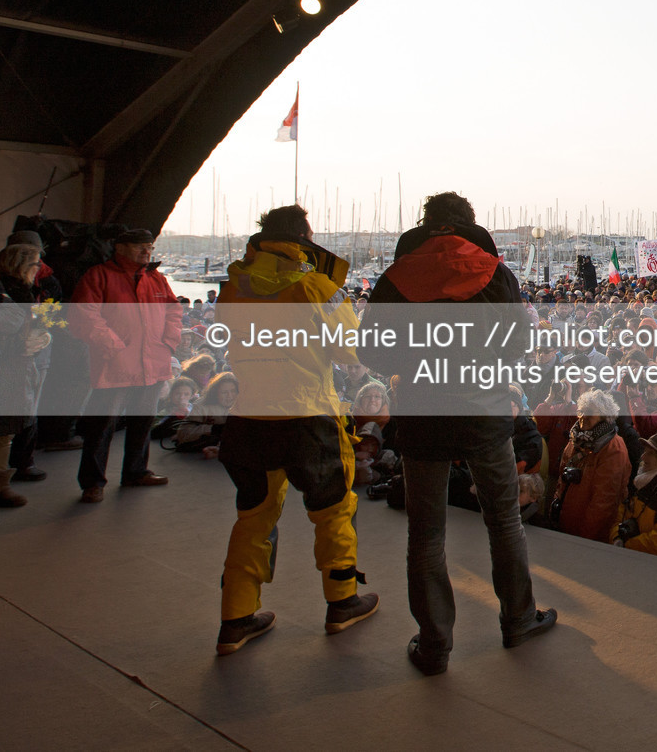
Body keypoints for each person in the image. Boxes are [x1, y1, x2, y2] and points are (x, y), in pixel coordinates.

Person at [356, 192, 554, 672]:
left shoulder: (396, 277)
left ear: (426, 224)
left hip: (423, 414)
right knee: (504, 521)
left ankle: (434, 643)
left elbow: (369, 351)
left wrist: (411, 364)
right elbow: (519, 344)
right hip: (484, 412)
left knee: (426, 534)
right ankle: (518, 619)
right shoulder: (495, 273)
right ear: (469, 224)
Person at [212, 206, 378, 655]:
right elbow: (351, 352)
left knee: (253, 518)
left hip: (249, 418)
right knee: (333, 512)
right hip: (308, 418)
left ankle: (236, 619)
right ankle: (342, 603)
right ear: (304, 238)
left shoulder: (234, 285)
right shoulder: (315, 285)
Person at [68, 228, 181, 503]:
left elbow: (174, 310)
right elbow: (83, 315)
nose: (147, 251)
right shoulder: (98, 275)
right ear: (120, 248)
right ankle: (93, 482)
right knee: (101, 425)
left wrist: (168, 342)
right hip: (114, 364)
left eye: (150, 247)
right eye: (140, 246)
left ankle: (136, 472)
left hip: (152, 362)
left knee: (143, 420)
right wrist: (113, 346)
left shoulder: (157, 279)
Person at [0, 244, 52, 509]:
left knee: (2, 430)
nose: (39, 270)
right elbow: (0, 334)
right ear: (20, 265)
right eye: (35, 264)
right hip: (4, 368)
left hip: (15, 367)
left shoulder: (18, 291)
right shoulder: (4, 292)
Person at [552, 390, 633, 541]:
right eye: (581, 411)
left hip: (590, 535)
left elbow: (604, 502)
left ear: (605, 416)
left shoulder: (613, 447)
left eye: (589, 412)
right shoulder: (575, 439)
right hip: (566, 525)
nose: (583, 416)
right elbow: (561, 479)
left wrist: (585, 537)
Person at [613, 433, 657, 558]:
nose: (643, 456)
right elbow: (620, 513)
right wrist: (616, 537)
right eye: (644, 451)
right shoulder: (640, 481)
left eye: (650, 453)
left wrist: (627, 545)